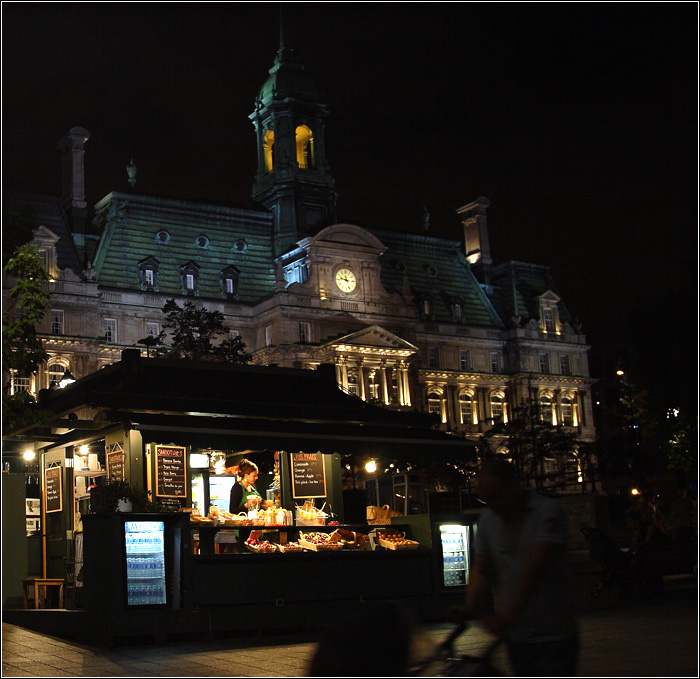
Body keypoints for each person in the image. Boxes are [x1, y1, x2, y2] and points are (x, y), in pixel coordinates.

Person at [450, 457, 578, 676]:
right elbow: (482, 568)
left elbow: (535, 569)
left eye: (496, 498)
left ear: (513, 486)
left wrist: (508, 617)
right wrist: (469, 606)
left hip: (553, 634)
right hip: (517, 636)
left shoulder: (547, 512)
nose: (492, 505)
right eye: (486, 500)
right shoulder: (489, 519)